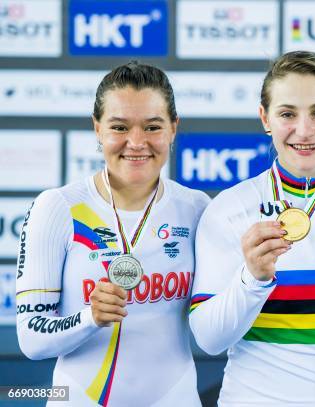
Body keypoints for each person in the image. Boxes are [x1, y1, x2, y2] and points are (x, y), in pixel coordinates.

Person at [189, 50, 315, 406]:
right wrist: (253, 278)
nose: (304, 129)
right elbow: (209, 339)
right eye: (287, 114)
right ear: (265, 118)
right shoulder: (231, 209)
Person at [16, 62, 209, 406]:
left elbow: (216, 320)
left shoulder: (196, 208)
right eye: (119, 127)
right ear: (97, 129)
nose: (136, 143)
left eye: (152, 127)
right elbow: (31, 338)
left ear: (173, 129)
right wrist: (89, 317)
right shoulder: (58, 207)